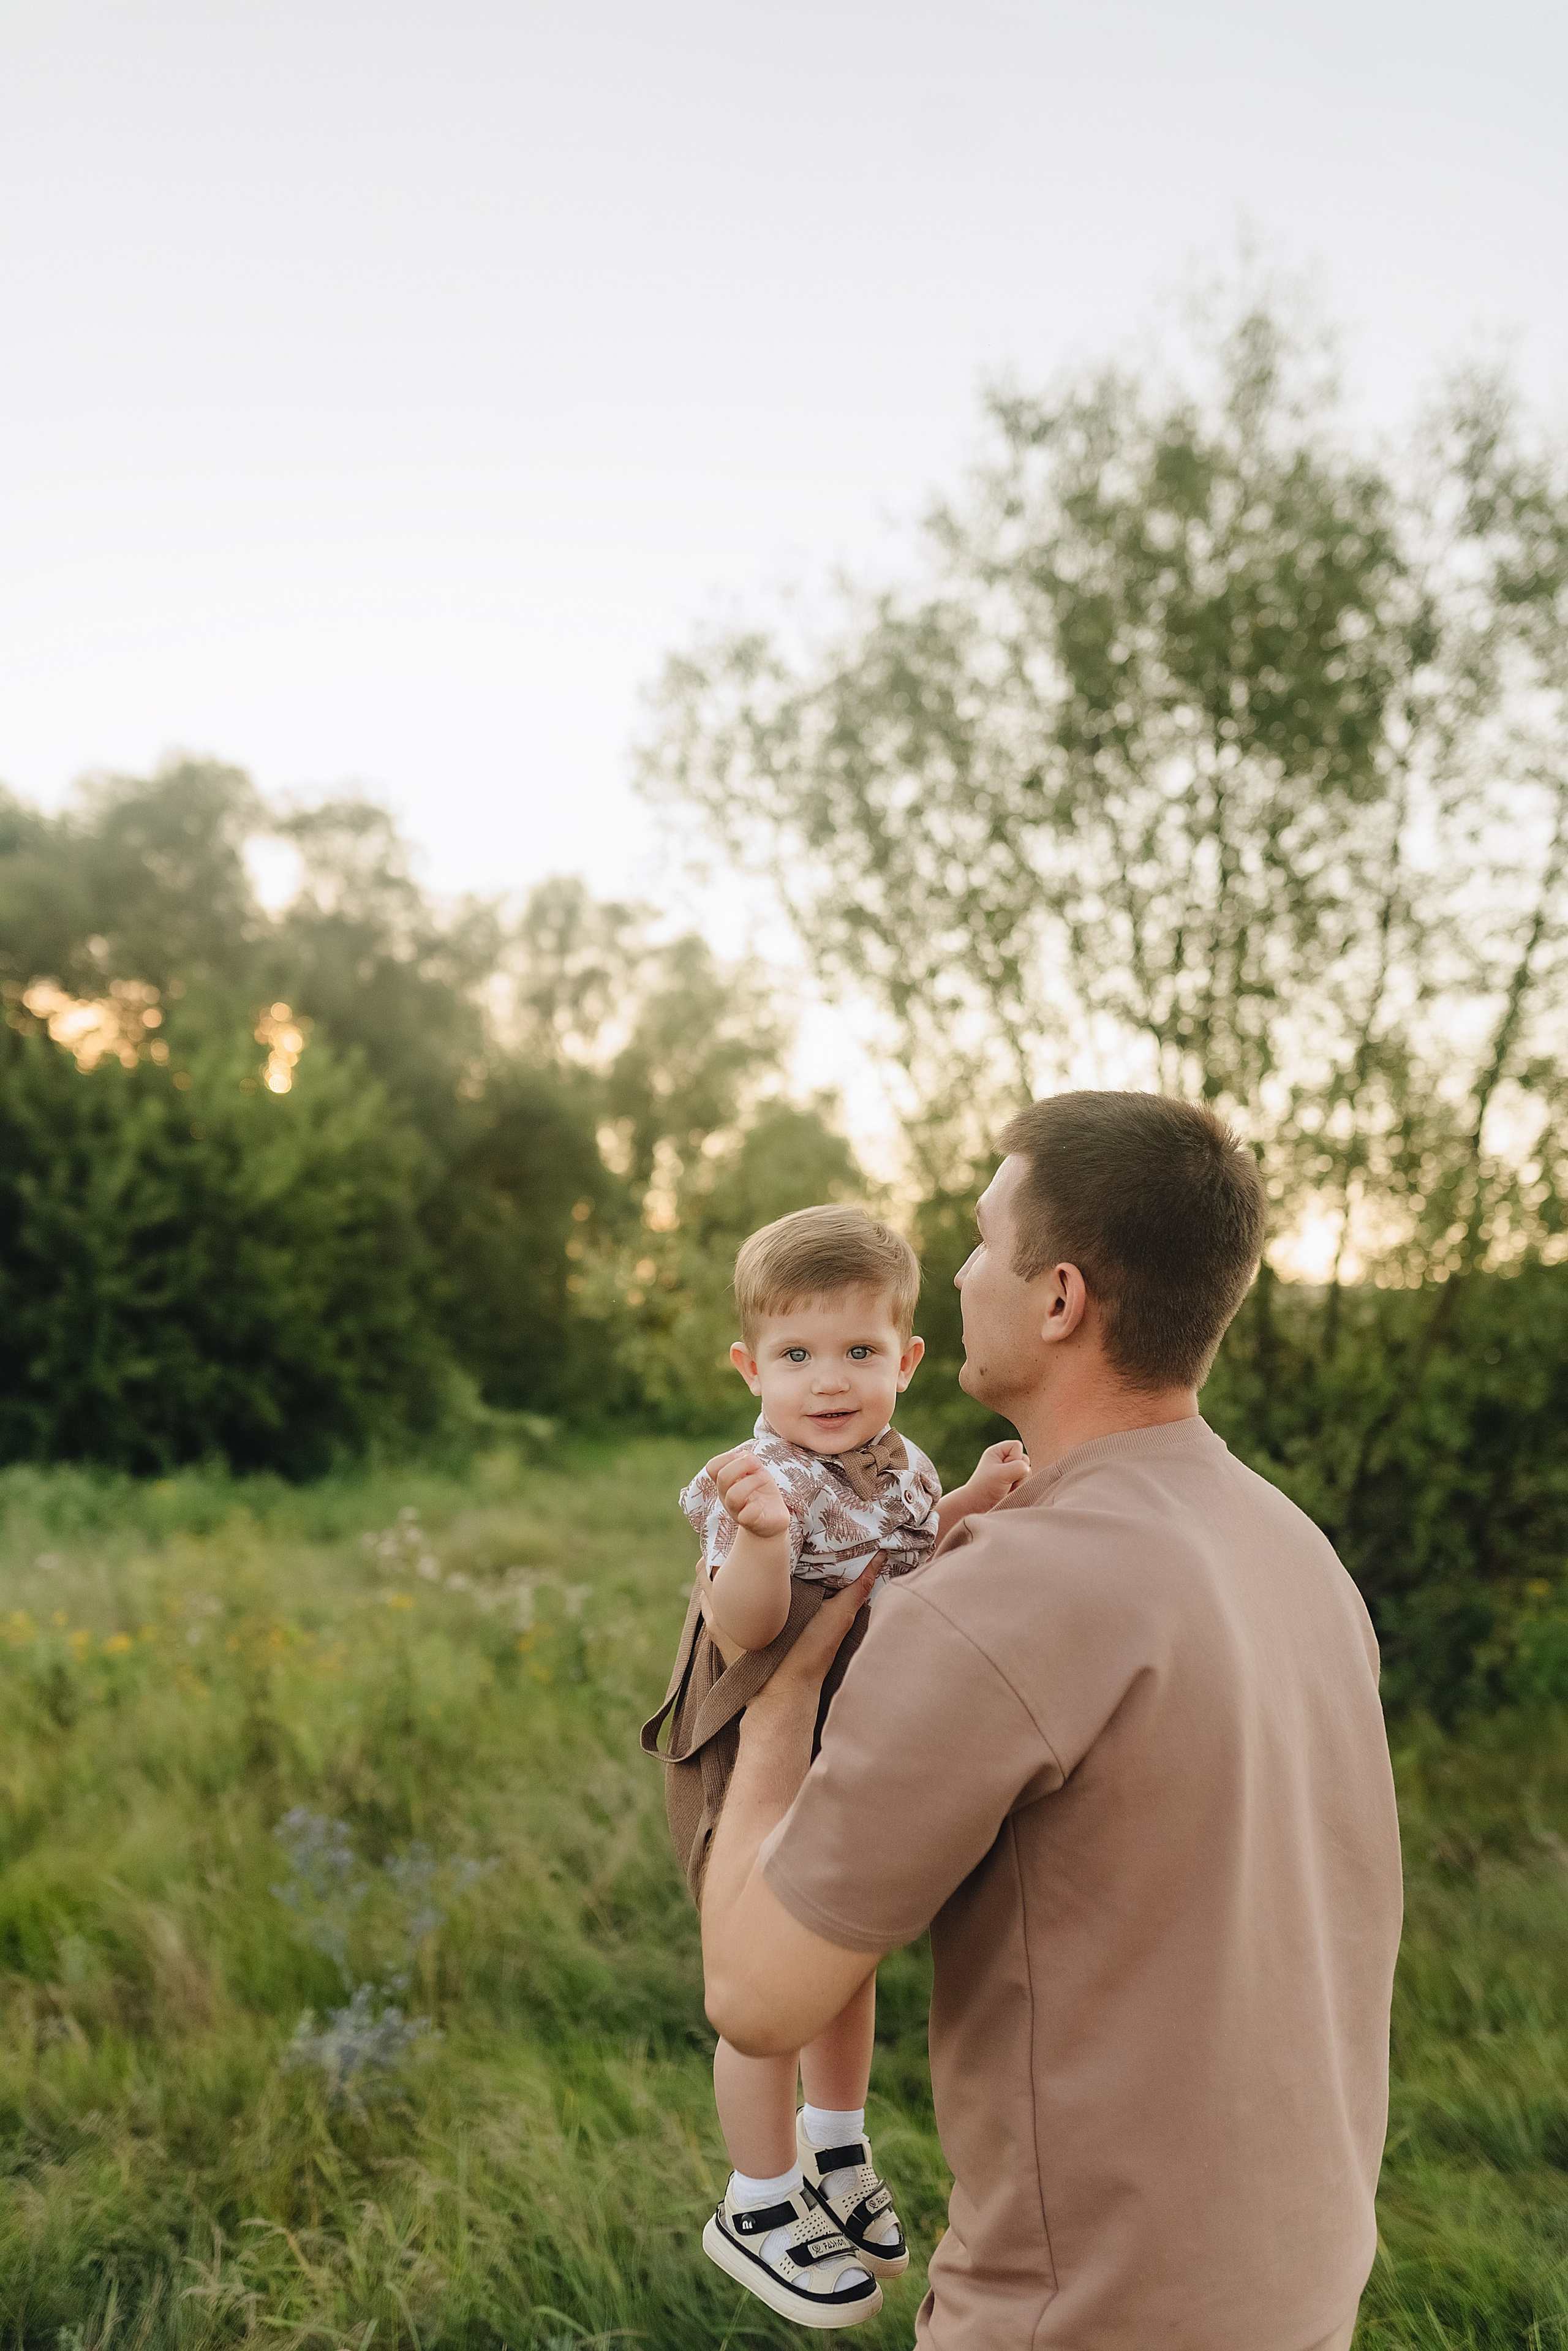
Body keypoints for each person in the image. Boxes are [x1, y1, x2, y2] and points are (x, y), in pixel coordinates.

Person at [699, 1092, 1404, 2351]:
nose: (959, 1273)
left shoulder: (1004, 1594)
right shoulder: (1290, 1545)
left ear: (1059, 1297)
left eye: (978, 1239)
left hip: (1085, 2312)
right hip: (1300, 2281)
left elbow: (756, 1992)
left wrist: (770, 1714)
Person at [641, 1204, 1031, 2327]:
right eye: (796, 1355)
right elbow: (747, 1629)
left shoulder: (900, 1464)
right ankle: (758, 2198)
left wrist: (966, 1508)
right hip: (750, 1746)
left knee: (843, 1959)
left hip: (851, 1746)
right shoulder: (757, 1481)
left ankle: (836, 2142)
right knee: (762, 1980)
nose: (828, 1381)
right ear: (749, 1367)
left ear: (907, 1359)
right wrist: (761, 1538)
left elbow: (906, 1567)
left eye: (859, 1351)